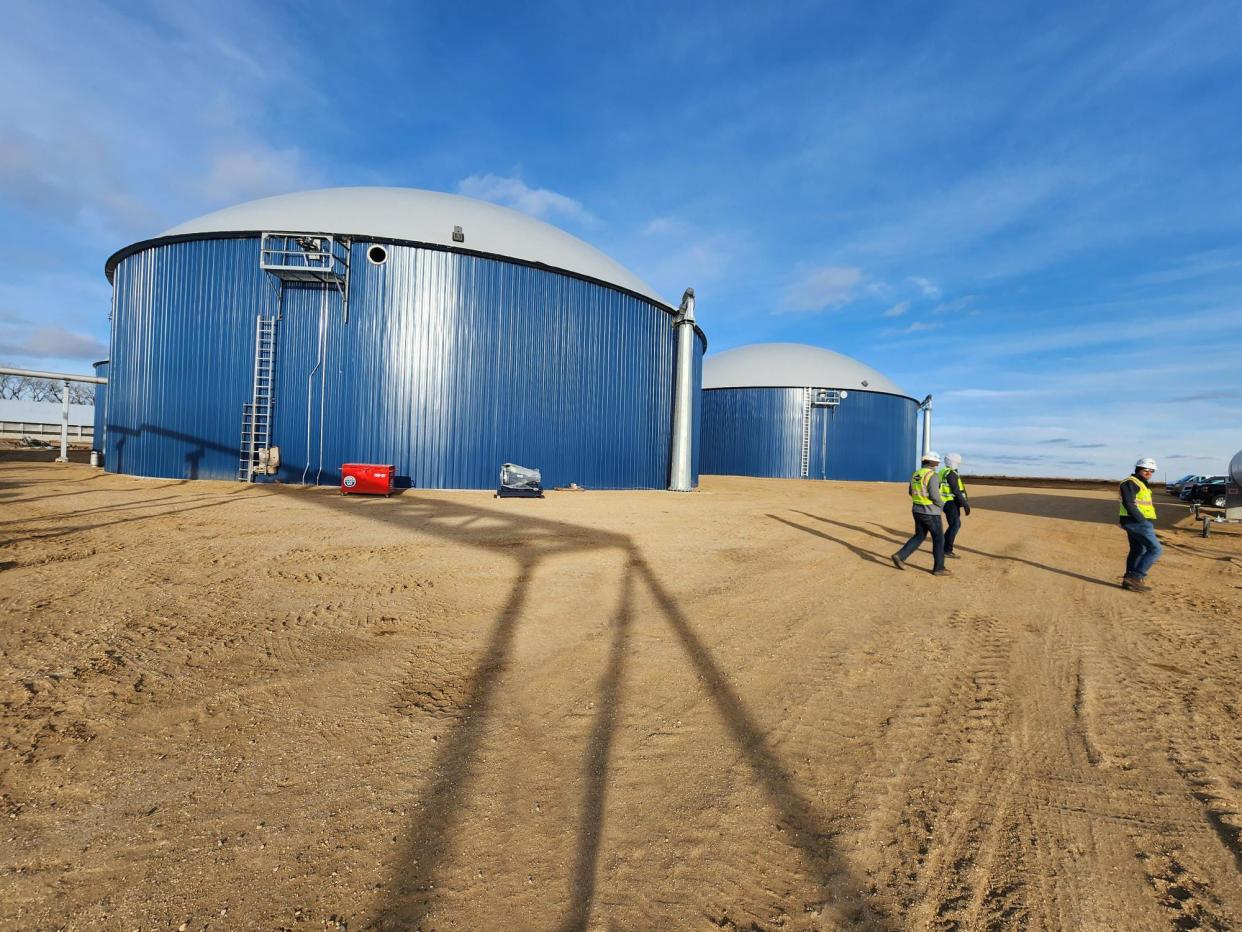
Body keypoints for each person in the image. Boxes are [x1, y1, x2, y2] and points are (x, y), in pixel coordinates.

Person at [891, 451, 951, 576]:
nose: (938, 463)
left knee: (919, 536)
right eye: (937, 461)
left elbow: (910, 492)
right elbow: (935, 496)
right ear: (931, 461)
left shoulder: (916, 474)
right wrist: (943, 506)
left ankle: (900, 556)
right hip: (931, 513)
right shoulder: (932, 475)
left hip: (917, 510)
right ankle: (939, 568)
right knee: (939, 540)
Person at [1120, 457, 1162, 592]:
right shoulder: (1130, 482)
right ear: (1138, 469)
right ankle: (1136, 578)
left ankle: (1128, 579)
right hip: (1137, 522)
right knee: (1155, 549)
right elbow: (1129, 503)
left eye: (1152, 471)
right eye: (1146, 470)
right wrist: (1141, 520)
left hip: (1138, 521)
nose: (1149, 473)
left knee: (1138, 550)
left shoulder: (1141, 483)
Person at [938, 453, 970, 559]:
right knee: (955, 525)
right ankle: (946, 550)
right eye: (958, 462)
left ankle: (941, 547)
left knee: (956, 524)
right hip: (950, 502)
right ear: (954, 462)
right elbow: (956, 490)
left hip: (946, 502)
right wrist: (965, 504)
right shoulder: (951, 473)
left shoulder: (943, 471)